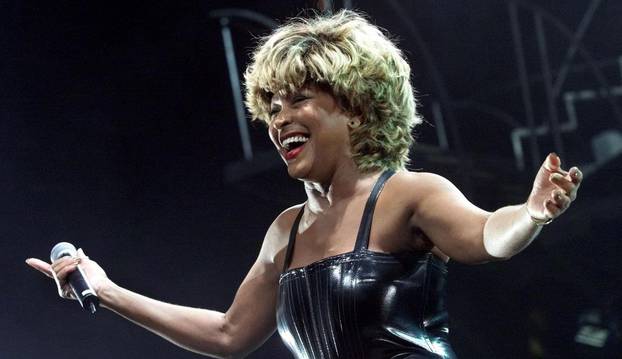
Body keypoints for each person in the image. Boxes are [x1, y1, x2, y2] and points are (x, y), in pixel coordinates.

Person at [26, 10, 582, 359]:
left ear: (358, 108)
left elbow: (487, 237)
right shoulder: (286, 231)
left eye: (298, 99)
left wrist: (530, 213)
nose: (278, 117)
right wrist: (105, 290)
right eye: (271, 105)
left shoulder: (410, 194)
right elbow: (228, 335)